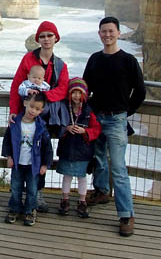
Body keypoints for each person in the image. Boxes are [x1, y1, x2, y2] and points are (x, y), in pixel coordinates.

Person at [82, 16, 146, 237]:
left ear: (119, 33)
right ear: (99, 34)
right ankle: (101, 192)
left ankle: (126, 215)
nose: (107, 34)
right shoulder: (94, 59)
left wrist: (125, 112)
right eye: (103, 31)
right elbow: (84, 88)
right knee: (99, 159)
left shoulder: (128, 60)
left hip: (117, 119)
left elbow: (140, 91)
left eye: (111, 31)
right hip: (96, 118)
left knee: (118, 168)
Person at [9, 20, 69, 212]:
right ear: (38, 39)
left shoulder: (60, 65)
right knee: (22, 151)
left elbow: (63, 89)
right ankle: (19, 193)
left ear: (56, 38)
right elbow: (16, 85)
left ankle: (37, 193)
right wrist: (12, 111)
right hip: (27, 115)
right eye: (42, 36)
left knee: (40, 153)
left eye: (49, 35)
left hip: (47, 117)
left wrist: (43, 97)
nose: (46, 39)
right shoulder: (28, 60)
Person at [1, 92, 53, 226]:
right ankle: (15, 208)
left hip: (33, 165)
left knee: (32, 189)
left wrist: (45, 165)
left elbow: (47, 147)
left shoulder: (41, 127)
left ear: (41, 110)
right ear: (25, 103)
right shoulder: (14, 123)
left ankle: (30, 210)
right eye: (31, 106)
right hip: (17, 163)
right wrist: (9, 156)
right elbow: (7, 141)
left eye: (37, 109)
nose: (33, 110)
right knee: (16, 187)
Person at [56, 77, 101, 218]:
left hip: (83, 150)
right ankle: (65, 199)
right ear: (69, 93)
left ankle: (82, 201)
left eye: (80, 93)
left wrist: (85, 132)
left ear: (84, 94)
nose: (77, 96)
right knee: (67, 176)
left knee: (82, 177)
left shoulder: (89, 110)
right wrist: (66, 128)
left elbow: (97, 129)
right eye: (74, 92)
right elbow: (56, 125)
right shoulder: (63, 107)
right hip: (67, 148)